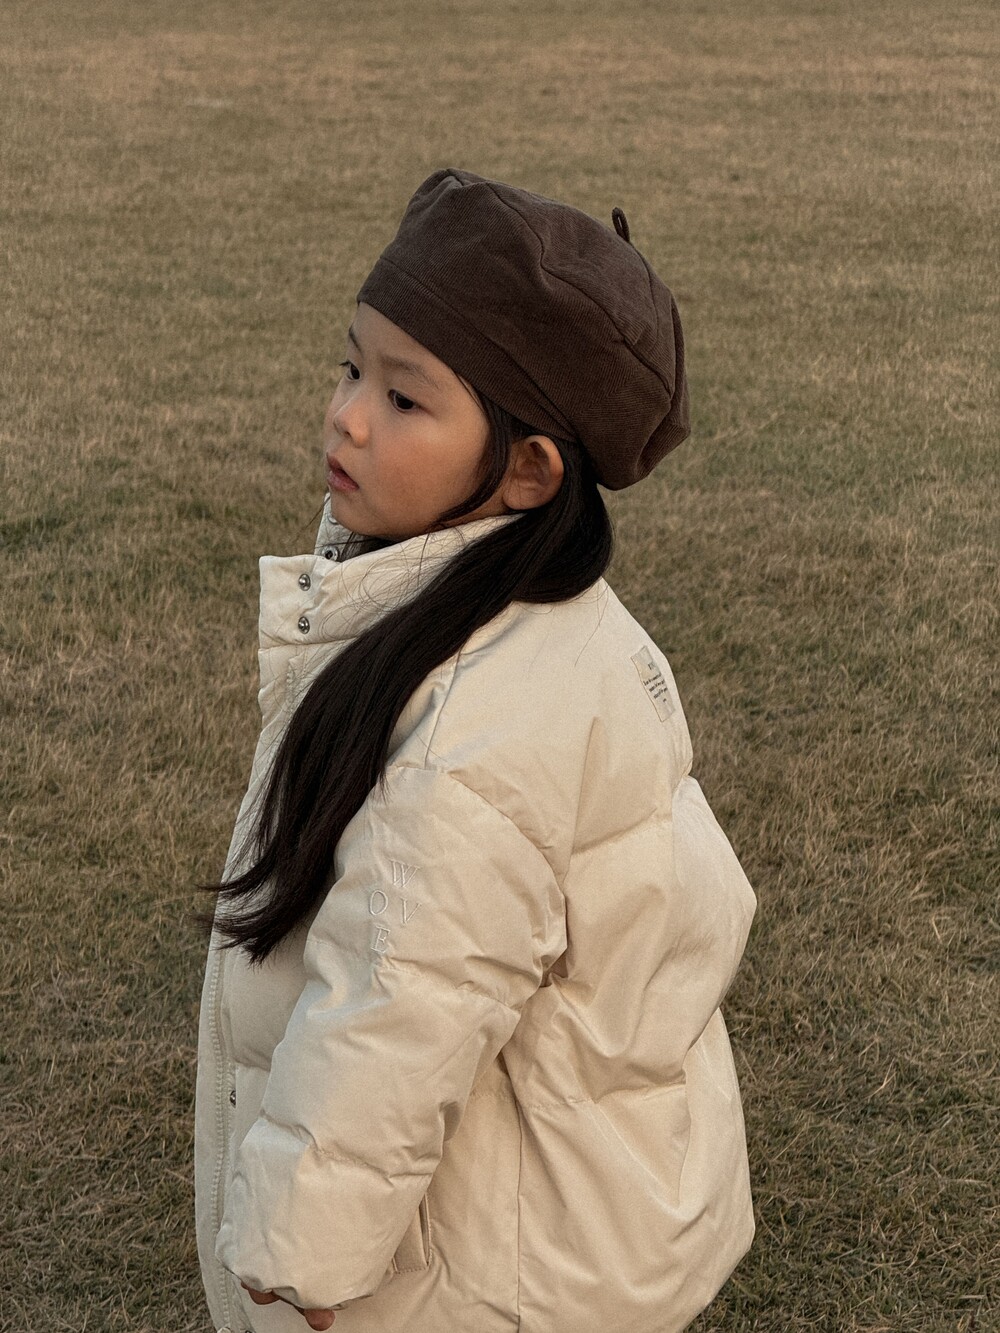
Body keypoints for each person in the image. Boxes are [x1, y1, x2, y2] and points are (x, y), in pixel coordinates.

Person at [195, 167, 757, 1333]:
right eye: (352, 366)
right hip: (552, 1214)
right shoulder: (524, 619)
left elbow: (404, 1003)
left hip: (480, 1277)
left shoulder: (476, 735)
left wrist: (301, 1245)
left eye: (405, 398)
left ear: (527, 469)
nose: (349, 415)